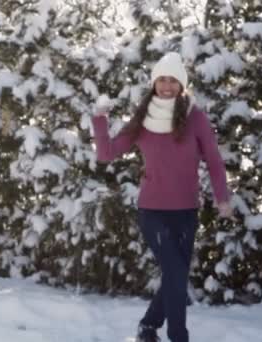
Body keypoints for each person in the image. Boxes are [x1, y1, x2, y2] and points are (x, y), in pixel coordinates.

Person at [91, 52, 233, 342]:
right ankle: (178, 336)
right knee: (176, 275)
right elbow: (107, 154)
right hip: (152, 211)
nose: (167, 86)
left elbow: (215, 161)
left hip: (186, 211)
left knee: (175, 276)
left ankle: (147, 326)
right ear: (154, 83)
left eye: (172, 80)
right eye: (161, 80)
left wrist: (222, 197)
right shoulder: (143, 119)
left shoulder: (195, 118)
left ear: (181, 84)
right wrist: (100, 119)